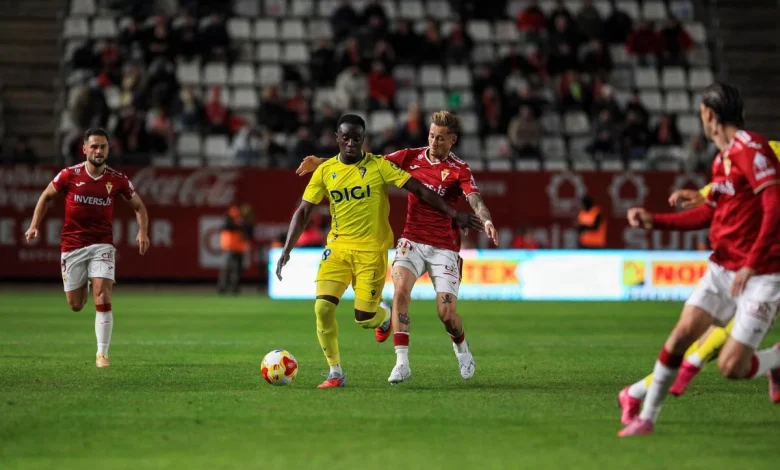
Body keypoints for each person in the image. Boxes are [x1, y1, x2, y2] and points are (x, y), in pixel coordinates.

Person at [618, 82, 780, 437]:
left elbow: (773, 206)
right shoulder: (721, 160)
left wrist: (752, 262)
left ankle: (774, 361)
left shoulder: (753, 150)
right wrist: (654, 220)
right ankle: (646, 417)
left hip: (762, 274)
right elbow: (709, 214)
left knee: (732, 367)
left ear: (709, 115)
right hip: (723, 270)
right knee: (679, 337)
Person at [276, 114, 483, 389]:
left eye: (357, 139)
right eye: (345, 138)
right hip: (337, 249)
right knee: (323, 308)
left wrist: (454, 213)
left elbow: (420, 190)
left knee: (363, 317)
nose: (351, 143)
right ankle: (335, 372)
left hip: (371, 251)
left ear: (364, 140)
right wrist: (286, 250)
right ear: (337, 139)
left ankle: (384, 317)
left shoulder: (379, 166)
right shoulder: (324, 172)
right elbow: (303, 211)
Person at [24, 128, 150, 368]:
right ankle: (89, 281)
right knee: (76, 305)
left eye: (103, 146)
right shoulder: (69, 175)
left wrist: (142, 231)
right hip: (72, 246)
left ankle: (102, 354)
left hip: (102, 244)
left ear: (108, 149)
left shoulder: (117, 179)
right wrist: (33, 226)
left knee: (102, 295)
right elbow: (46, 196)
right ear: (84, 149)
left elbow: (139, 207)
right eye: (94, 146)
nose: (98, 151)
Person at [217, 204, 252, 294]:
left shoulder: (243, 221)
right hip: (229, 247)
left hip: (239, 248)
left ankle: (234, 289)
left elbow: (249, 230)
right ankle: (222, 288)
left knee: (236, 270)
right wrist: (239, 224)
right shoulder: (228, 219)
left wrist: (242, 223)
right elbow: (226, 226)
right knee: (227, 269)